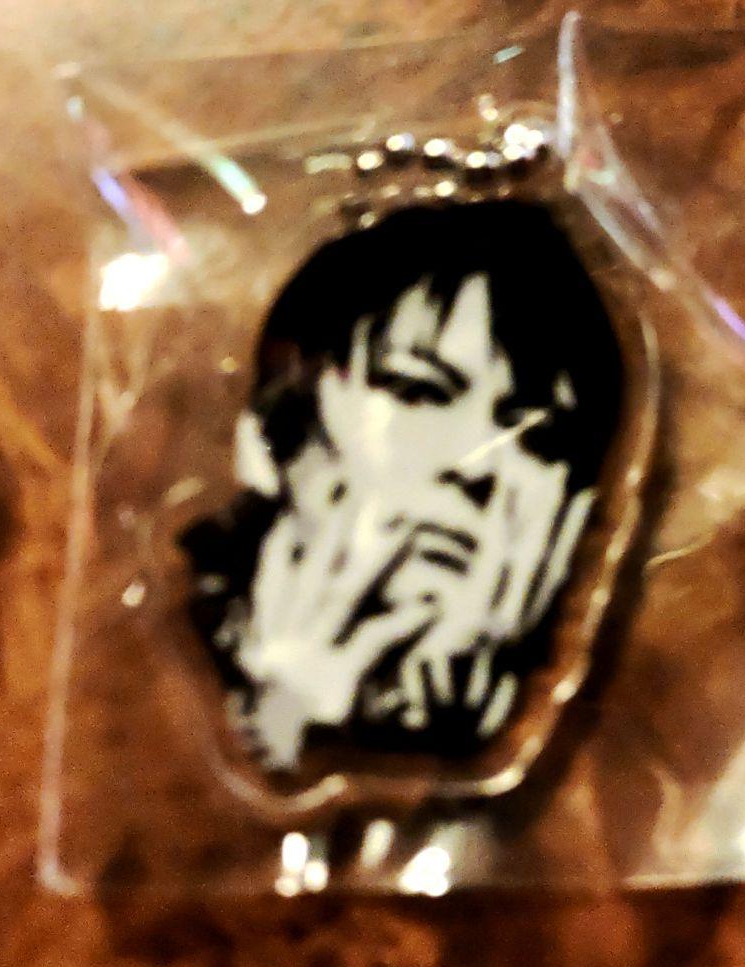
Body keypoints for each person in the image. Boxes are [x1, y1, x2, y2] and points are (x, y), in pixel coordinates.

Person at [181, 200, 623, 772]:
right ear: (269, 436)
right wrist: (287, 700)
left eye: (537, 436)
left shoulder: (536, 715)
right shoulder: (160, 665)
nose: (477, 463)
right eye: (420, 392)